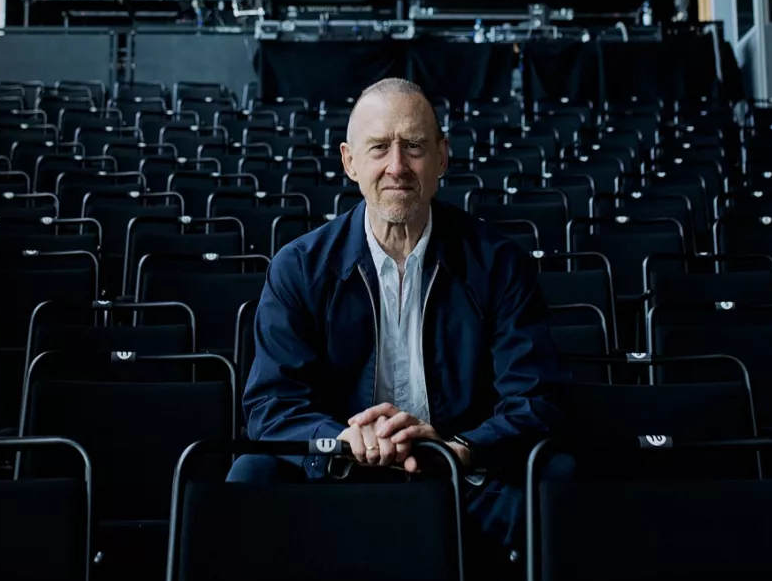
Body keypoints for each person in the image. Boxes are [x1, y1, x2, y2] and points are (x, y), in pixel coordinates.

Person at [231, 77, 570, 552]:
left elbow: (536, 399)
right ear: (350, 162)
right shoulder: (299, 267)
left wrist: (461, 449)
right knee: (249, 473)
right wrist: (343, 440)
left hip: (461, 476)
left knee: (560, 479)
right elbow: (270, 405)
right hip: (338, 471)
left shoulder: (499, 263)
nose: (397, 166)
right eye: (378, 148)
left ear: (442, 157)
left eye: (413, 146)